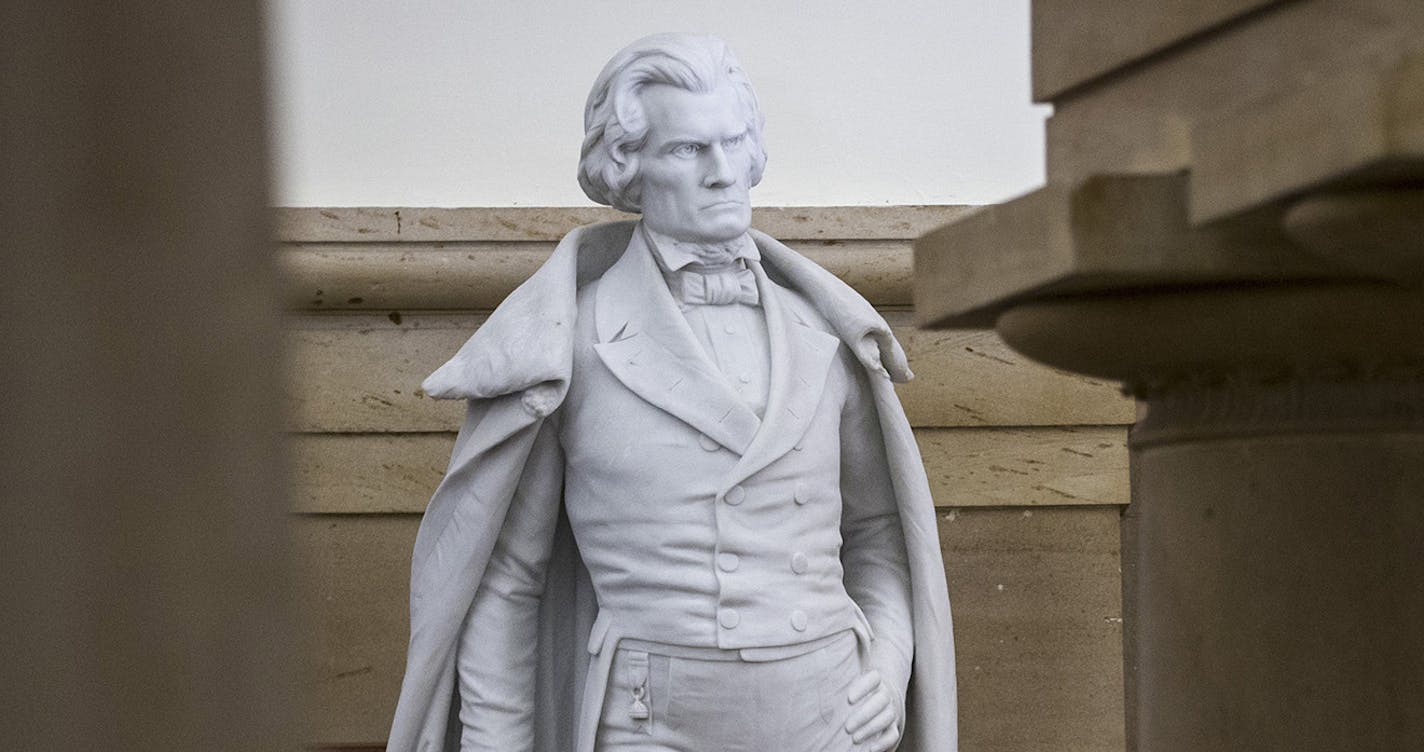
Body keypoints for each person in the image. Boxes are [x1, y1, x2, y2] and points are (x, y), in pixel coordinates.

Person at [387, 33, 956, 752]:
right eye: (689, 150)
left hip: (833, 714)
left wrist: (890, 656)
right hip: (649, 723)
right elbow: (506, 582)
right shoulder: (571, 343)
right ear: (629, 168)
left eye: (735, 142)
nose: (724, 173)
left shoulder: (827, 333)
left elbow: (878, 534)